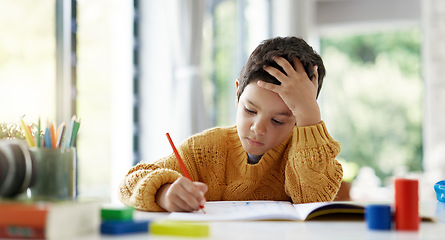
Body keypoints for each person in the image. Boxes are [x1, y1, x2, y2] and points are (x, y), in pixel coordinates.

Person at [118, 36, 343, 212]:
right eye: (250, 110)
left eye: (278, 120)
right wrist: (163, 193)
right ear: (237, 93)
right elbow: (128, 184)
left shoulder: (309, 155)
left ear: (298, 120)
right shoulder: (204, 150)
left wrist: (310, 116)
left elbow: (314, 202)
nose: (258, 128)